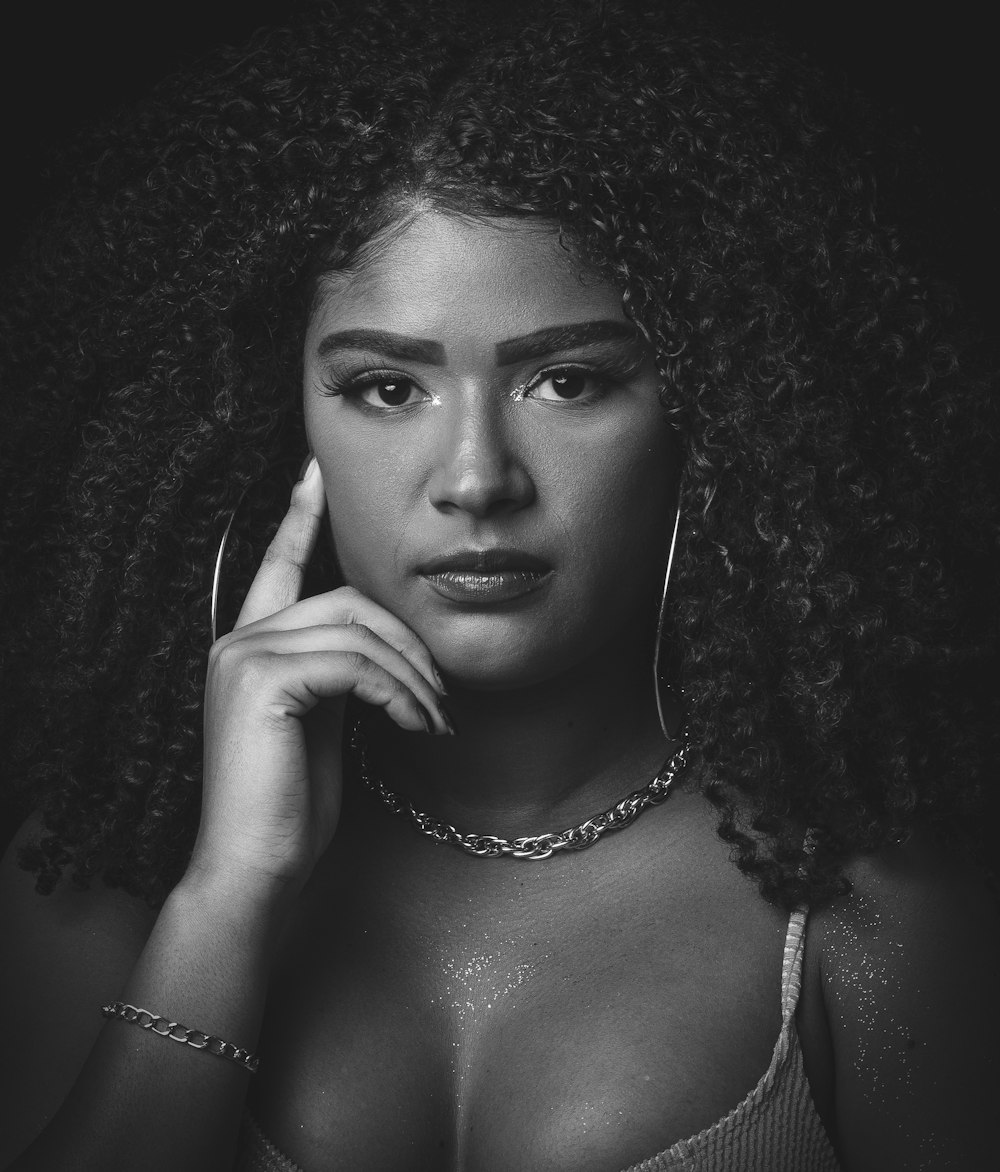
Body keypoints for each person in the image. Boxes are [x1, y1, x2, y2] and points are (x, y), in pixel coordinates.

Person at [0, 1, 997, 1169]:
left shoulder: (863, 905)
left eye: (567, 381)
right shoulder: (107, 870)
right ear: (280, 421)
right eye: (385, 387)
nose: (476, 478)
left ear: (710, 412)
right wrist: (228, 896)